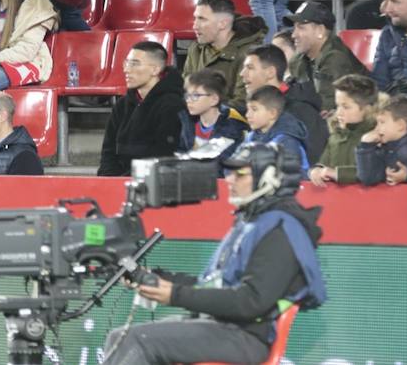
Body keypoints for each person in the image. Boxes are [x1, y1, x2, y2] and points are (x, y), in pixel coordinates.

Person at [101, 140, 325, 365]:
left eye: (240, 174)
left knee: (134, 341)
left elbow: (250, 302)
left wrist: (175, 294)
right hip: (223, 327)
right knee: (118, 338)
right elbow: (213, 284)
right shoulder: (253, 222)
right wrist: (156, 278)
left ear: (269, 179)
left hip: (246, 337)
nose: (229, 180)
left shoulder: (281, 231)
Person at [97, 40, 184, 176]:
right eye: (127, 63)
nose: (126, 70)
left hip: (153, 184)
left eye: (134, 64)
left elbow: (163, 157)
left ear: (155, 69)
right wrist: (109, 182)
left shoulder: (172, 106)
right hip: (118, 183)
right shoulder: (122, 105)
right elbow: (108, 153)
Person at [184, 0, 267, 107]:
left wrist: (207, 111)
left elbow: (243, 102)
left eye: (202, 19)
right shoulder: (196, 48)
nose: (195, 26)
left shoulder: (250, 54)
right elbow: (185, 89)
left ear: (223, 23)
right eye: (195, 18)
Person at [283, 4, 366, 113]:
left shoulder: (335, 58)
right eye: (294, 28)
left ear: (320, 31)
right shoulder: (299, 59)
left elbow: (326, 106)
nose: (293, 35)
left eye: (301, 28)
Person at [309, 74, 378, 187]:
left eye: (346, 107)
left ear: (367, 109)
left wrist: (337, 174)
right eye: (337, 106)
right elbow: (323, 164)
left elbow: (374, 172)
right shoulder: (336, 135)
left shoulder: (377, 136)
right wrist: (316, 170)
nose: (339, 112)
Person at [356, 96, 407, 187]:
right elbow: (369, 178)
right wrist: (366, 147)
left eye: (382, 122)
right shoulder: (384, 147)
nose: (377, 128)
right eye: (376, 123)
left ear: (400, 125)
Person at [179, 70, 248, 162]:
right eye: (187, 95)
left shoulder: (232, 129)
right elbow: (181, 152)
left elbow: (224, 164)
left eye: (195, 95)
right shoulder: (188, 122)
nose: (189, 100)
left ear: (214, 99)